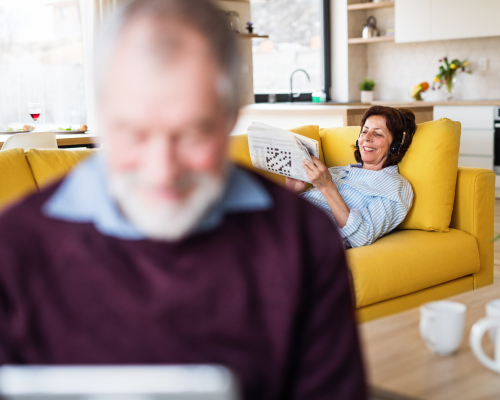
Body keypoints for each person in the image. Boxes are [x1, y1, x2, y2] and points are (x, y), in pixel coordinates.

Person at [0, 1, 367, 399]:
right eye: (134, 133)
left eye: (192, 134)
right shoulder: (14, 247)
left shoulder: (302, 238)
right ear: (103, 114)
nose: (162, 171)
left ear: (230, 117)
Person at [286, 106, 415, 248]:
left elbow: (360, 237)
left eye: (377, 134)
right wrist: (291, 193)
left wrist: (327, 188)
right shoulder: (336, 172)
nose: (366, 137)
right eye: (364, 131)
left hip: (306, 239)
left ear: (395, 146)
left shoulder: (396, 187)